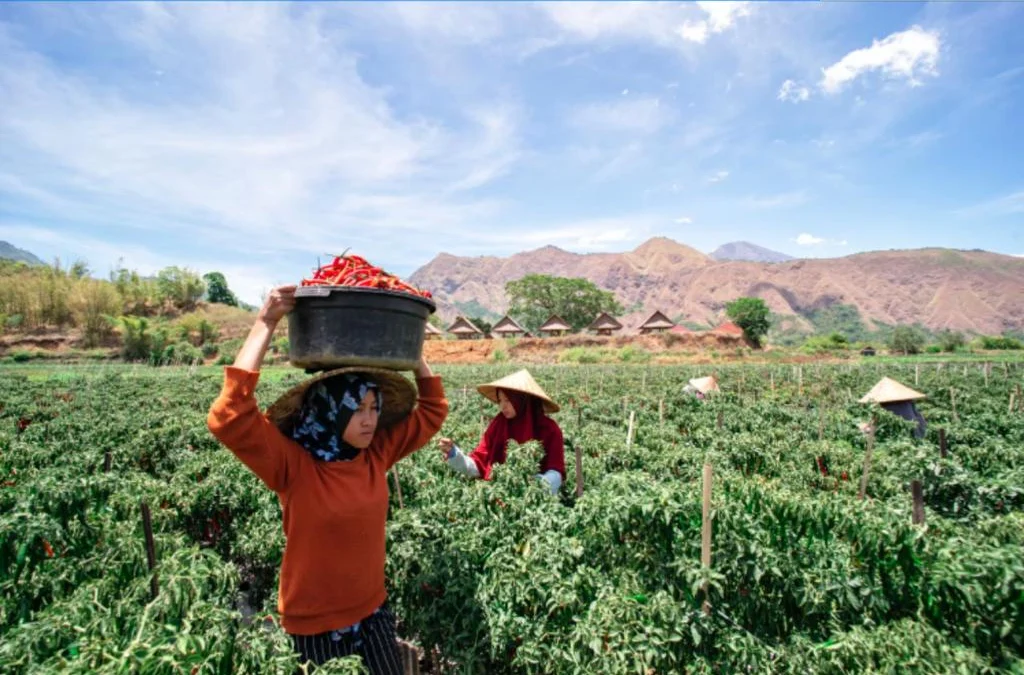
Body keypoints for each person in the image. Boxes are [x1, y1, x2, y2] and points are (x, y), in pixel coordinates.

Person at [206, 284, 448, 673]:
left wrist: (410, 348)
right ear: (330, 411)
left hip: (374, 612)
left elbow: (433, 409)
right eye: (358, 408)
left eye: (375, 407)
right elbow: (230, 415)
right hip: (314, 628)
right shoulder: (294, 467)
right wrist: (266, 321)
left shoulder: (375, 455)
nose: (370, 419)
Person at [438, 369, 565, 495]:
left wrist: (536, 486)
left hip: (535, 502)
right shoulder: (498, 425)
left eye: (508, 400)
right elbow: (479, 463)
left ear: (522, 400)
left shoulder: (549, 429)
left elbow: (556, 472)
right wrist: (455, 455)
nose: (502, 406)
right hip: (499, 499)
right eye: (500, 400)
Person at [858, 376, 927, 439]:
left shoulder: (885, 405)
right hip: (917, 428)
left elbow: (876, 420)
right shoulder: (909, 401)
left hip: (901, 433)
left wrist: (866, 427)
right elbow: (918, 415)